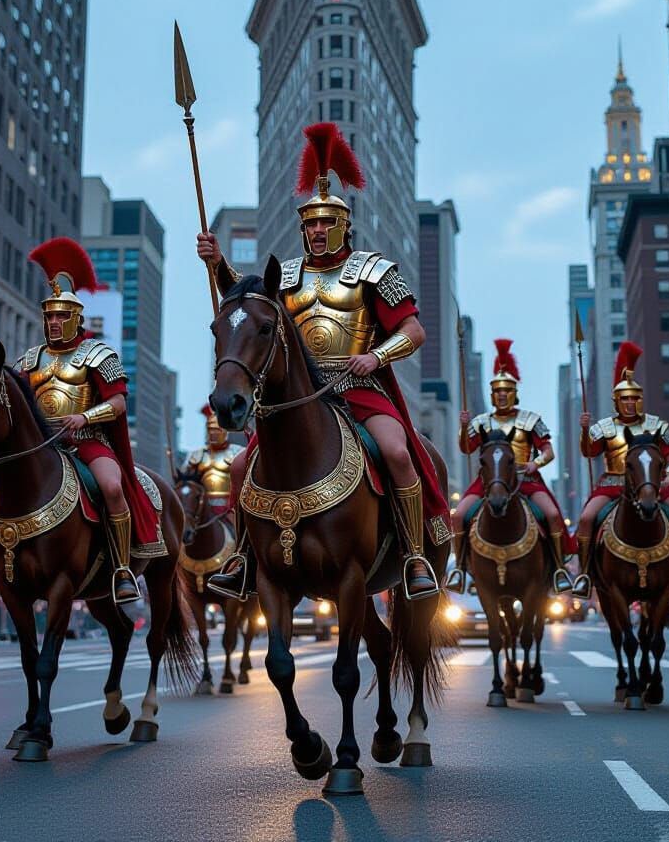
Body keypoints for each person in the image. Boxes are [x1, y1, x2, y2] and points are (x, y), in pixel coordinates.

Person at [196, 123, 450, 601]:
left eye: (325, 223)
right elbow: (249, 303)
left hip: (360, 390)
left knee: (397, 453)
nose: (316, 231)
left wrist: (376, 356)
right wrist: (217, 264)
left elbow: (414, 330)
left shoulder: (373, 271)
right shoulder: (286, 277)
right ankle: (245, 557)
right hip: (301, 394)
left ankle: (415, 554)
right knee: (236, 471)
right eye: (310, 224)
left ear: (342, 226)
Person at [0, 238, 157, 605]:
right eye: (49, 315)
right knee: (3, 499)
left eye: (62, 316)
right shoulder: (28, 360)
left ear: (77, 319)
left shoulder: (98, 353)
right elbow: (10, 404)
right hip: (41, 444)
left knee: (111, 487)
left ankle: (122, 569)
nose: (54, 322)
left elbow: (118, 403)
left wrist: (84, 416)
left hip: (89, 441)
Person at [571, 341, 669, 600]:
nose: (630, 403)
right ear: (616, 401)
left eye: (634, 398)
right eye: (625, 399)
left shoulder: (656, 425)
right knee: (586, 519)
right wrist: (584, 430)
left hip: (653, 485)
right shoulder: (604, 427)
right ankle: (585, 574)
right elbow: (589, 452)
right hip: (612, 485)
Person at [447, 339, 574, 594]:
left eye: (506, 391)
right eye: (497, 392)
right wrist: (463, 427)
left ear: (514, 393)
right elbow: (467, 448)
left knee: (550, 515)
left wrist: (534, 463)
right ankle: (460, 568)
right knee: (459, 515)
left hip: (525, 480)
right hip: (487, 481)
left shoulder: (530, 420)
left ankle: (559, 568)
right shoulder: (481, 422)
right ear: (493, 395)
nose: (502, 395)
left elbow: (549, 451)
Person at [179, 404, 244, 510]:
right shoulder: (196, 455)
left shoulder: (238, 453)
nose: (213, 434)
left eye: (217, 430)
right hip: (202, 508)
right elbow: (184, 481)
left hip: (231, 508)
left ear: (225, 432)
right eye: (211, 430)